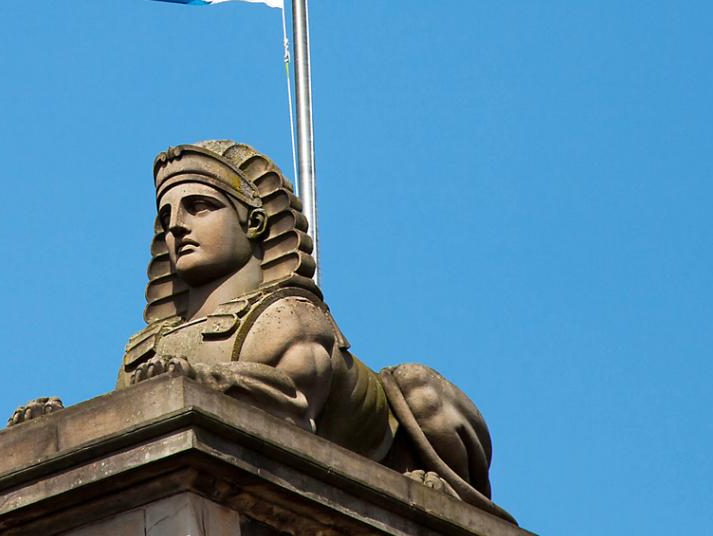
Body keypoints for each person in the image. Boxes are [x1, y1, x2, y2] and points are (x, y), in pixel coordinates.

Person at [117, 140, 513, 523]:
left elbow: (292, 403)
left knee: (418, 386)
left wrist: (206, 378)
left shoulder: (290, 316)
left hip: (388, 450)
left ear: (254, 222)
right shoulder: (146, 349)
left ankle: (455, 490)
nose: (177, 227)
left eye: (199, 207)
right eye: (167, 217)